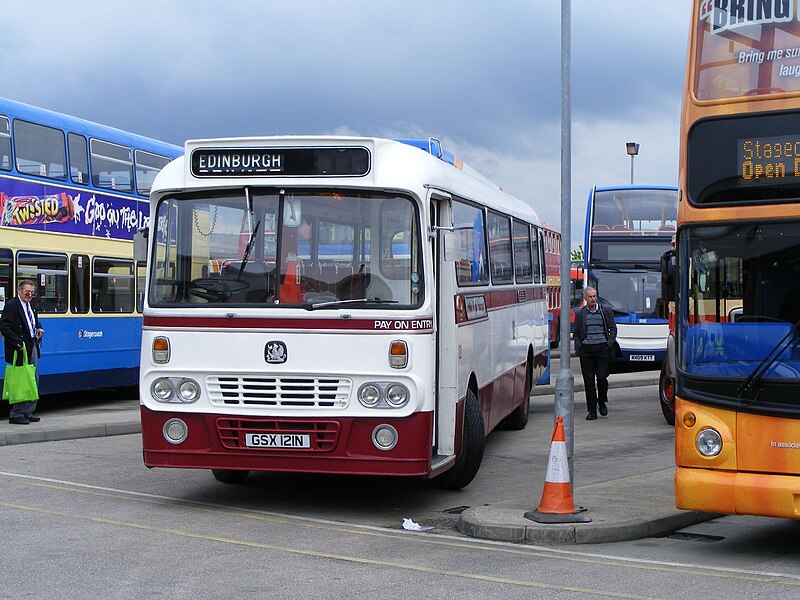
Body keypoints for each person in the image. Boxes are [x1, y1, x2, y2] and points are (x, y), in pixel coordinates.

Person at [0, 279, 44, 424]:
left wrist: (39, 327)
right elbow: (4, 326)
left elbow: (33, 320)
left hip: (32, 345)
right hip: (19, 348)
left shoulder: (31, 304)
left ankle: (28, 411)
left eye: (32, 293)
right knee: (21, 381)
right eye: (27, 292)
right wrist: (18, 342)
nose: (30, 295)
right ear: (19, 291)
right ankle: (16, 414)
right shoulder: (12, 305)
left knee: (32, 379)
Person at [573, 286, 617, 421]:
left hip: (602, 349)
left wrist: (609, 343)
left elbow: (613, 329)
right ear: (585, 298)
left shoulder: (605, 311)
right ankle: (592, 410)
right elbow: (576, 333)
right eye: (590, 297)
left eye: (594, 296)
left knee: (602, 378)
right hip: (587, 350)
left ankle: (602, 401)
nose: (593, 299)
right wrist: (579, 346)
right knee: (589, 382)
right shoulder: (580, 314)